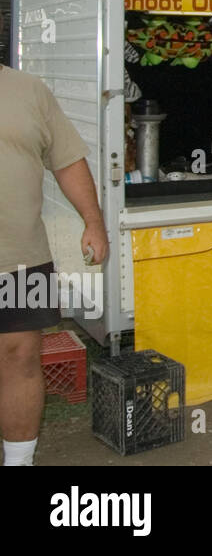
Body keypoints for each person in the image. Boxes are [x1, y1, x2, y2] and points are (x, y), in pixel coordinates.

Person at [0, 63, 107, 466]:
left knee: (21, 358)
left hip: (21, 255)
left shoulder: (29, 90)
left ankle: (18, 461)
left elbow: (67, 160)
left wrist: (93, 222)